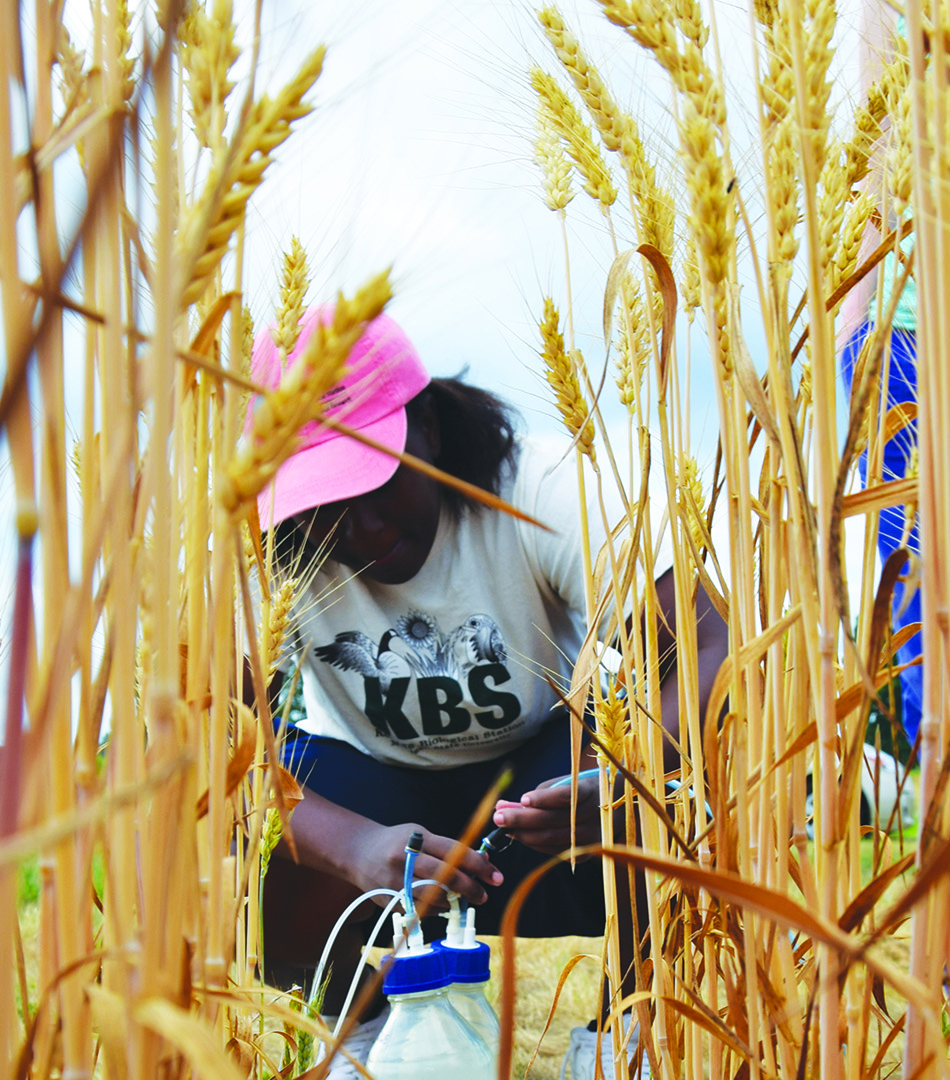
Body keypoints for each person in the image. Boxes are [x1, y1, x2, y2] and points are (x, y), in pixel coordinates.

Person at [250, 304, 726, 1010]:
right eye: (327, 501)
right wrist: (349, 845)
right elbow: (198, 745)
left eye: (377, 480)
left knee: (685, 791)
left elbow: (710, 641)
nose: (364, 527)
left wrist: (633, 777)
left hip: (541, 794)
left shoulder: (539, 489)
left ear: (431, 429)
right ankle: (352, 1038)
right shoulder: (264, 555)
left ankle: (632, 1028)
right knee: (247, 850)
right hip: (374, 807)